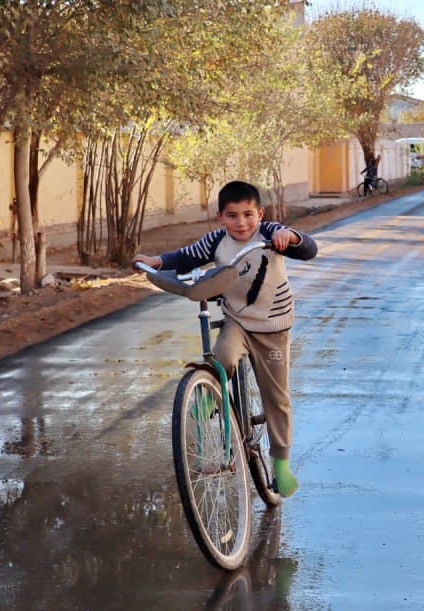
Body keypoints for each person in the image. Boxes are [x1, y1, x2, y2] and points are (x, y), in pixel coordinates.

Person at [133, 181, 319, 497]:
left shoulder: (270, 234)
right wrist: (157, 262)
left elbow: (308, 249)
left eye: (248, 214)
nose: (241, 223)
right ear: (221, 217)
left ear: (260, 213)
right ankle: (210, 395)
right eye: (232, 216)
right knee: (223, 356)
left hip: (273, 327)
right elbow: (186, 257)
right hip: (238, 320)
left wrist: (292, 237)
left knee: (277, 398)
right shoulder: (217, 241)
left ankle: (281, 463)